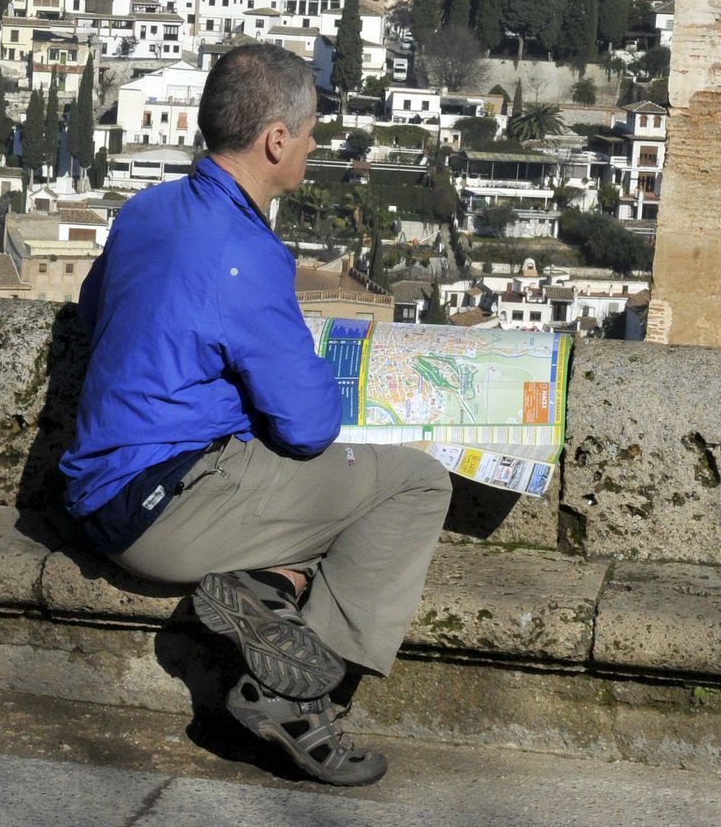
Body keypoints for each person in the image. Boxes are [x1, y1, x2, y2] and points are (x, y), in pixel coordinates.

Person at [59, 44, 453, 786]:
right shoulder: (246, 252)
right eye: (308, 137)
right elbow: (307, 425)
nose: (309, 150)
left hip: (96, 495)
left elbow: (93, 310)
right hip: (172, 508)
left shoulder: (144, 211)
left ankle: (267, 588)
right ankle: (297, 695)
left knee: (309, 506)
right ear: (276, 140)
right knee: (412, 483)